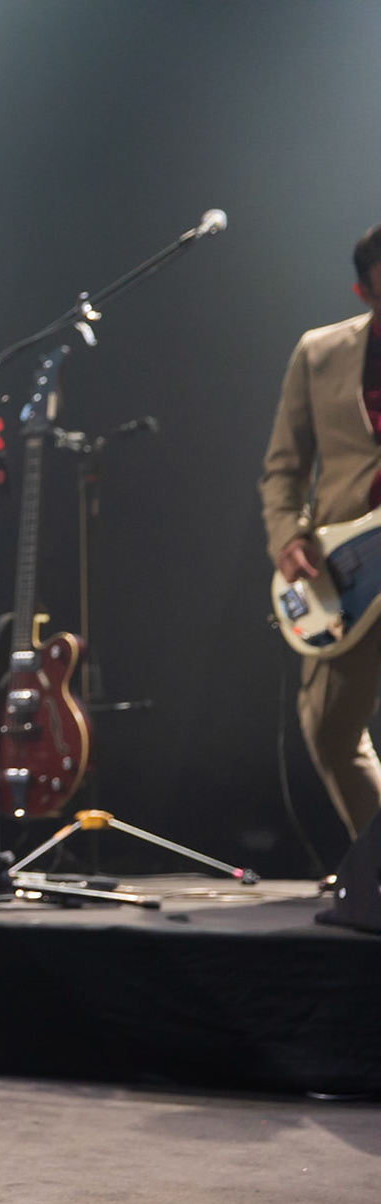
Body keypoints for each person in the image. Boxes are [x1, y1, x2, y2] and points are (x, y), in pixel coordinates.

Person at [262, 222, 381, 838]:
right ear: (363, 292)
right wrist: (289, 536)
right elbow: (283, 467)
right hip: (354, 568)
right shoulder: (319, 352)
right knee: (331, 731)